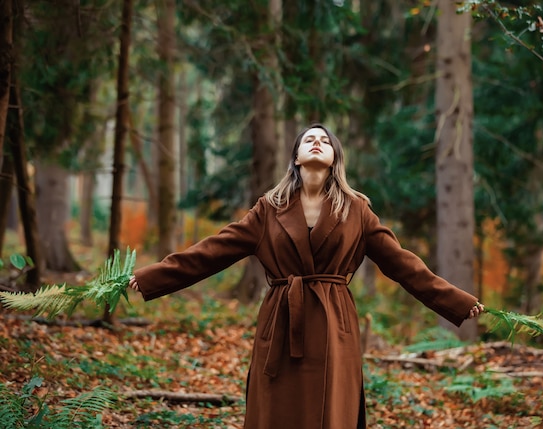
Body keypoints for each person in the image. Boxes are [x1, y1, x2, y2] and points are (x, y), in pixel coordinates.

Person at [129, 123, 485, 429]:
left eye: (325, 140)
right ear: (296, 157)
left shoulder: (357, 210)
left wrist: (456, 302)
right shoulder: (268, 209)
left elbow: (403, 265)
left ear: (335, 159)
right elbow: (210, 253)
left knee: (329, 414)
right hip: (282, 324)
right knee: (277, 412)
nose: (317, 142)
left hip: (334, 325)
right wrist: (151, 277)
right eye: (309, 139)